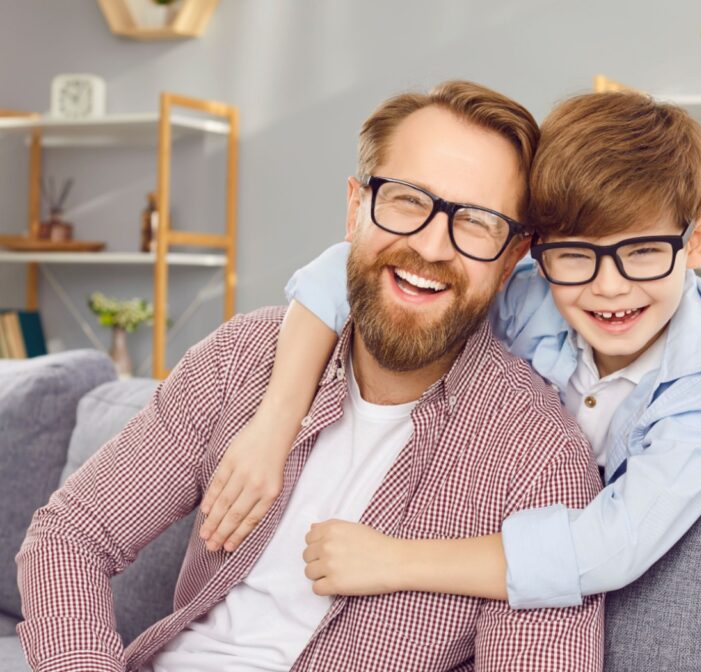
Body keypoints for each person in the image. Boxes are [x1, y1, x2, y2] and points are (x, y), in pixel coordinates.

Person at [204, 91, 701, 671]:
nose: (609, 287)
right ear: (535, 253)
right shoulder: (532, 292)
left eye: (643, 253)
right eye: (575, 255)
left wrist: (393, 560)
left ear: (696, 245)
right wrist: (273, 425)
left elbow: (613, 545)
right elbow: (339, 272)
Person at [16, 81, 605, 672]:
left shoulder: (539, 459)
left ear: (511, 260)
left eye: (476, 222)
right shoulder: (242, 358)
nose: (430, 245)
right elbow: (69, 539)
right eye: (406, 200)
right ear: (355, 209)